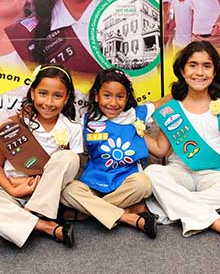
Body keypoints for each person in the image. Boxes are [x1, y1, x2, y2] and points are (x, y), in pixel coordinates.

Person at [144, 41, 220, 249]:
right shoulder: (171, 108)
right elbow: (160, 149)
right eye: (193, 65)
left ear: (214, 71)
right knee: (153, 173)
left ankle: (170, 208)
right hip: (179, 171)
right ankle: (217, 222)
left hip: (216, 174)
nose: (199, 72)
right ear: (182, 71)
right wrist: (133, 129)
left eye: (206, 66)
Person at [0, 64, 83, 248]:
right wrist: (13, 190)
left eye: (57, 96)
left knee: (69, 158)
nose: (49, 102)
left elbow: (69, 171)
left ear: (66, 99)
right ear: (32, 93)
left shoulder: (73, 128)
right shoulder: (15, 124)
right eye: (43, 93)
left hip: (49, 195)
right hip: (13, 193)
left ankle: (23, 218)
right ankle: (44, 226)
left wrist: (38, 185)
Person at [60, 68, 168, 238]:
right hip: (94, 182)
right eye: (107, 95)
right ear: (96, 96)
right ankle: (126, 216)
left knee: (144, 183)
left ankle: (87, 213)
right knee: (68, 191)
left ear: (127, 98)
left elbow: (163, 102)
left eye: (120, 97)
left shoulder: (136, 114)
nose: (113, 102)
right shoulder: (87, 120)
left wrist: (187, 88)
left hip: (126, 182)